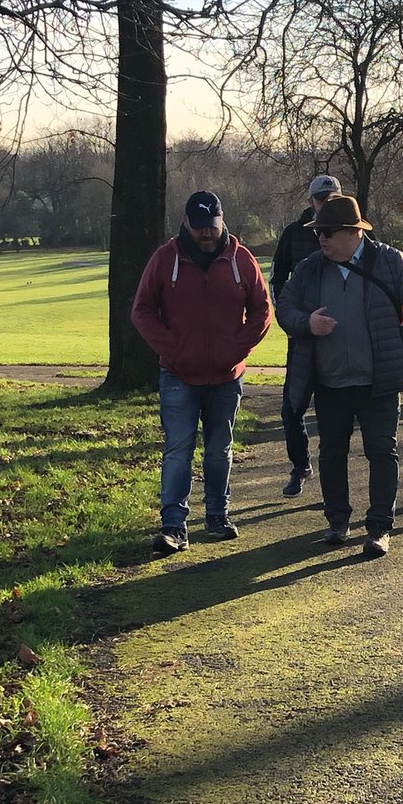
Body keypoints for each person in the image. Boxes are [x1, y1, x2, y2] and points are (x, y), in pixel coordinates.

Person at [276, 194, 403, 558]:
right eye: (318, 232)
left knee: (381, 452)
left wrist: (402, 359)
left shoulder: (391, 262)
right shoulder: (311, 268)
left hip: (379, 383)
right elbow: (285, 308)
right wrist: (306, 323)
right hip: (329, 383)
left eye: (327, 232)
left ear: (352, 233)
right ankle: (337, 522)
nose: (321, 239)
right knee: (331, 453)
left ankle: (379, 528)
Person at [132, 190, 271, 555]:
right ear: (185, 223)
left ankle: (217, 515)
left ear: (222, 221)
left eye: (211, 226)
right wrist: (173, 349)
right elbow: (142, 310)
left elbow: (262, 309)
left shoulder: (241, 260)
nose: (206, 234)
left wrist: (237, 348)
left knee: (218, 449)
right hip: (178, 374)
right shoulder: (165, 259)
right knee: (178, 448)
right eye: (199, 227)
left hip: (226, 375)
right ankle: (173, 526)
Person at [270, 173, 341, 497]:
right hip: (302, 338)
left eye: (331, 198)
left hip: (340, 341)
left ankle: (331, 481)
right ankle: (300, 467)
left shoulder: (351, 232)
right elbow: (277, 280)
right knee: (292, 408)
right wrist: (293, 320)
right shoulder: (293, 235)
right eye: (320, 199)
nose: (326, 204)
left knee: (332, 414)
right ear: (311, 202)